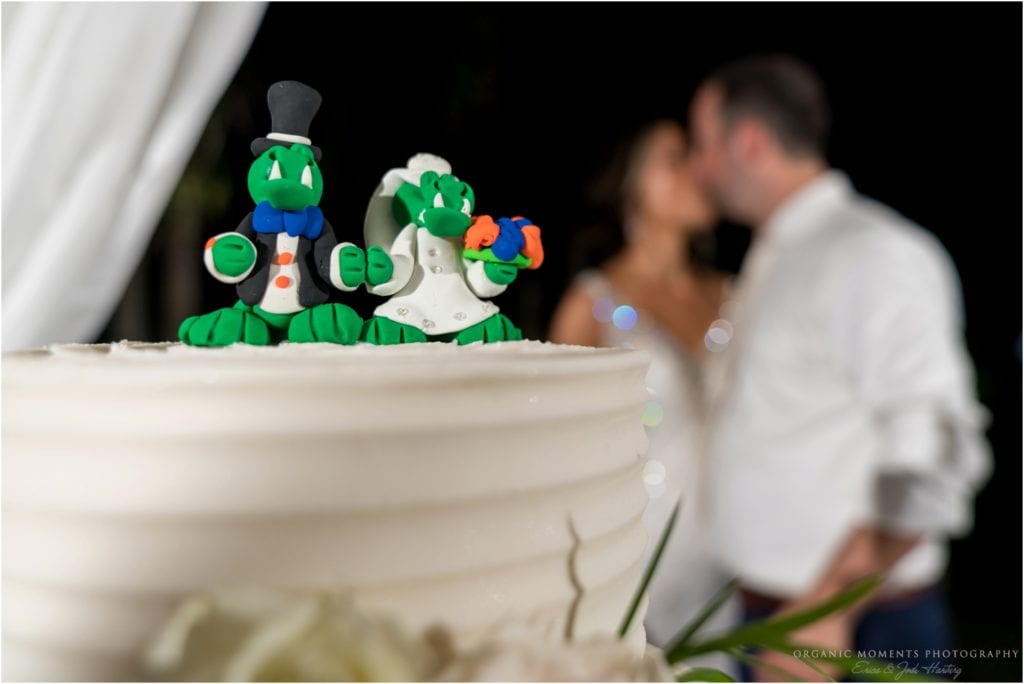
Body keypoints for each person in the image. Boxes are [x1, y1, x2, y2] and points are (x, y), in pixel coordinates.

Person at [687, 54, 991, 680]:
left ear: (751, 143)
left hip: (853, 625)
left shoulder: (871, 251)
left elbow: (935, 457)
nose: (698, 168)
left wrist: (826, 608)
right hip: (769, 613)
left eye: (703, 145)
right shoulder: (780, 250)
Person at [548, 119, 738, 669]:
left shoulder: (735, 292)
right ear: (635, 186)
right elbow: (557, 446)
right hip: (639, 546)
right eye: (675, 158)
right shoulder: (593, 302)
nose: (697, 170)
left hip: (730, 547)